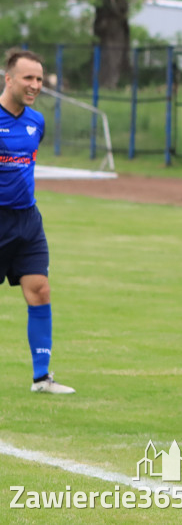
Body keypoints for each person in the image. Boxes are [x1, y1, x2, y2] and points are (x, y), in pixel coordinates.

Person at [1, 49, 74, 395]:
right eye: (28, 78)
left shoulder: (36, 121)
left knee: (40, 291)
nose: (34, 85)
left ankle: (42, 378)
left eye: (39, 79)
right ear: (9, 79)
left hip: (28, 221)